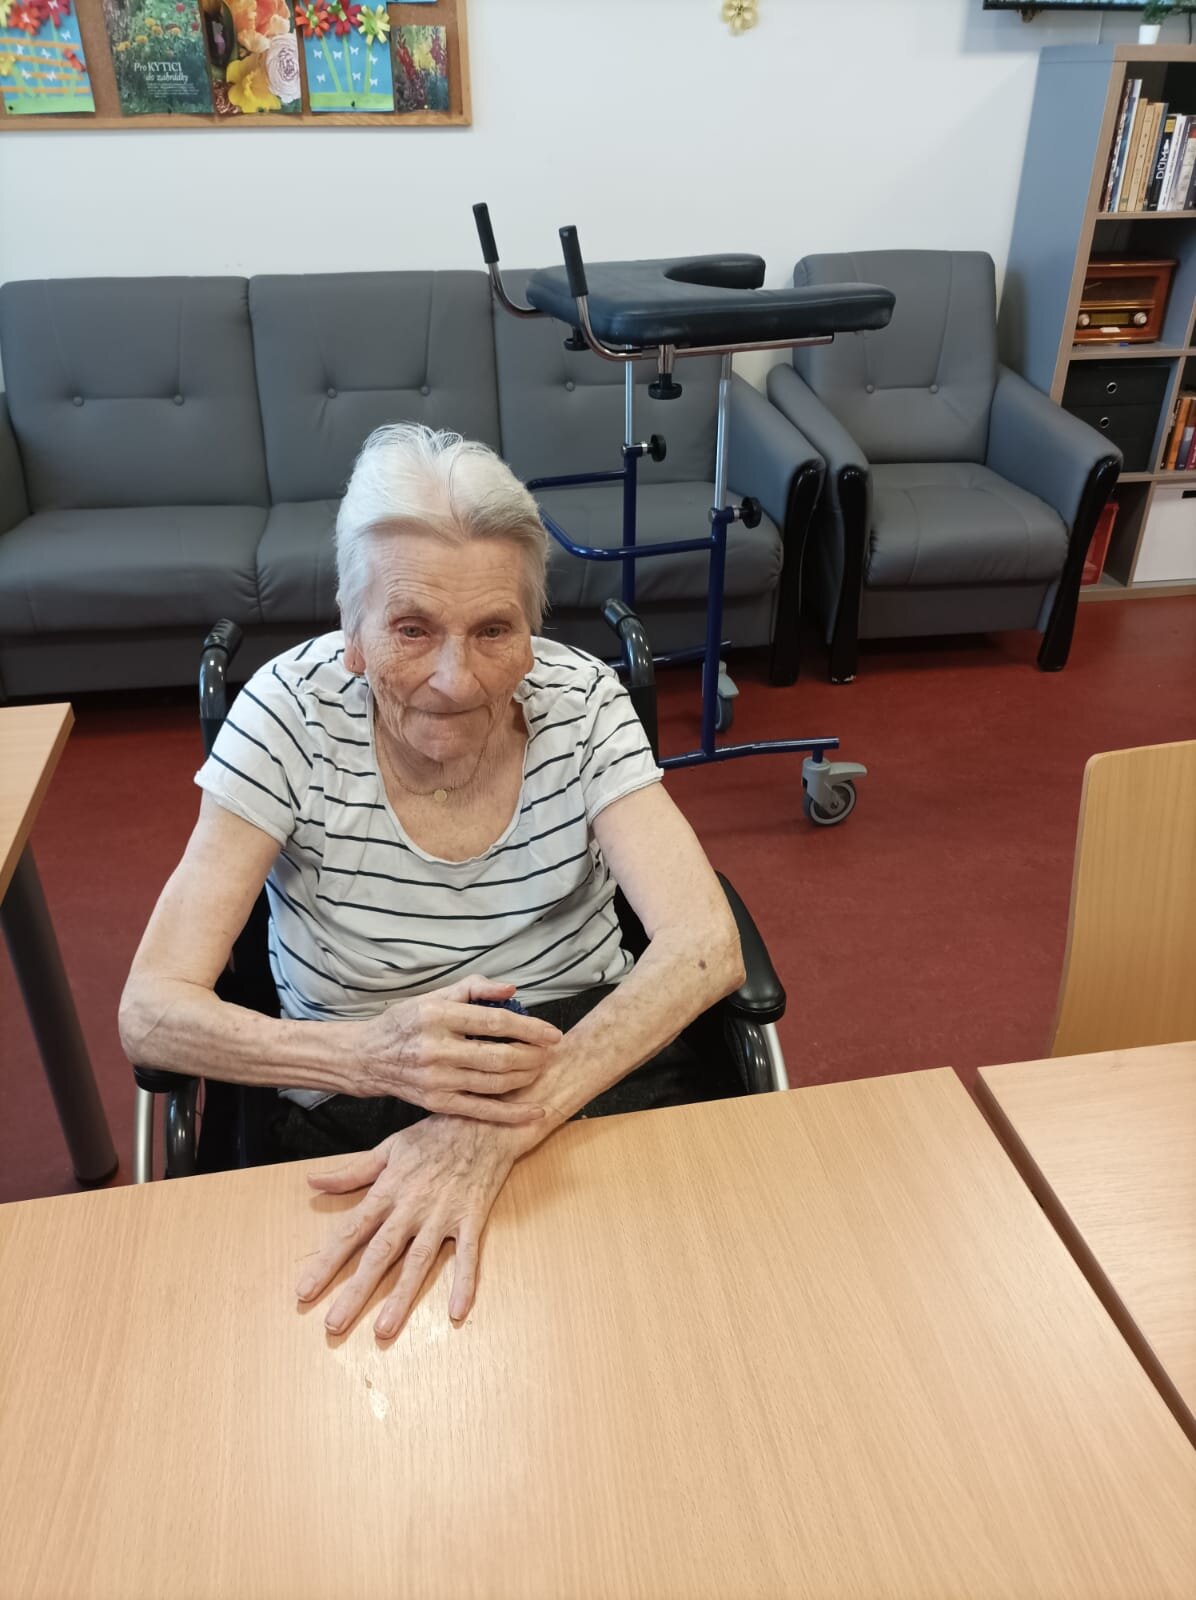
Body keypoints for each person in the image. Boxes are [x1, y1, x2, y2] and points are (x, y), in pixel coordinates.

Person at [120, 423, 745, 1340]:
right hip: (357, 1088)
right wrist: (368, 1056)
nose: (455, 680)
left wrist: (506, 1117)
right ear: (353, 631)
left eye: (494, 630)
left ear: (532, 632)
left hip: (583, 1061)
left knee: (672, 1324)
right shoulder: (288, 717)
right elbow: (151, 1010)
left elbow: (705, 944)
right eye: (411, 629)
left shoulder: (580, 700)